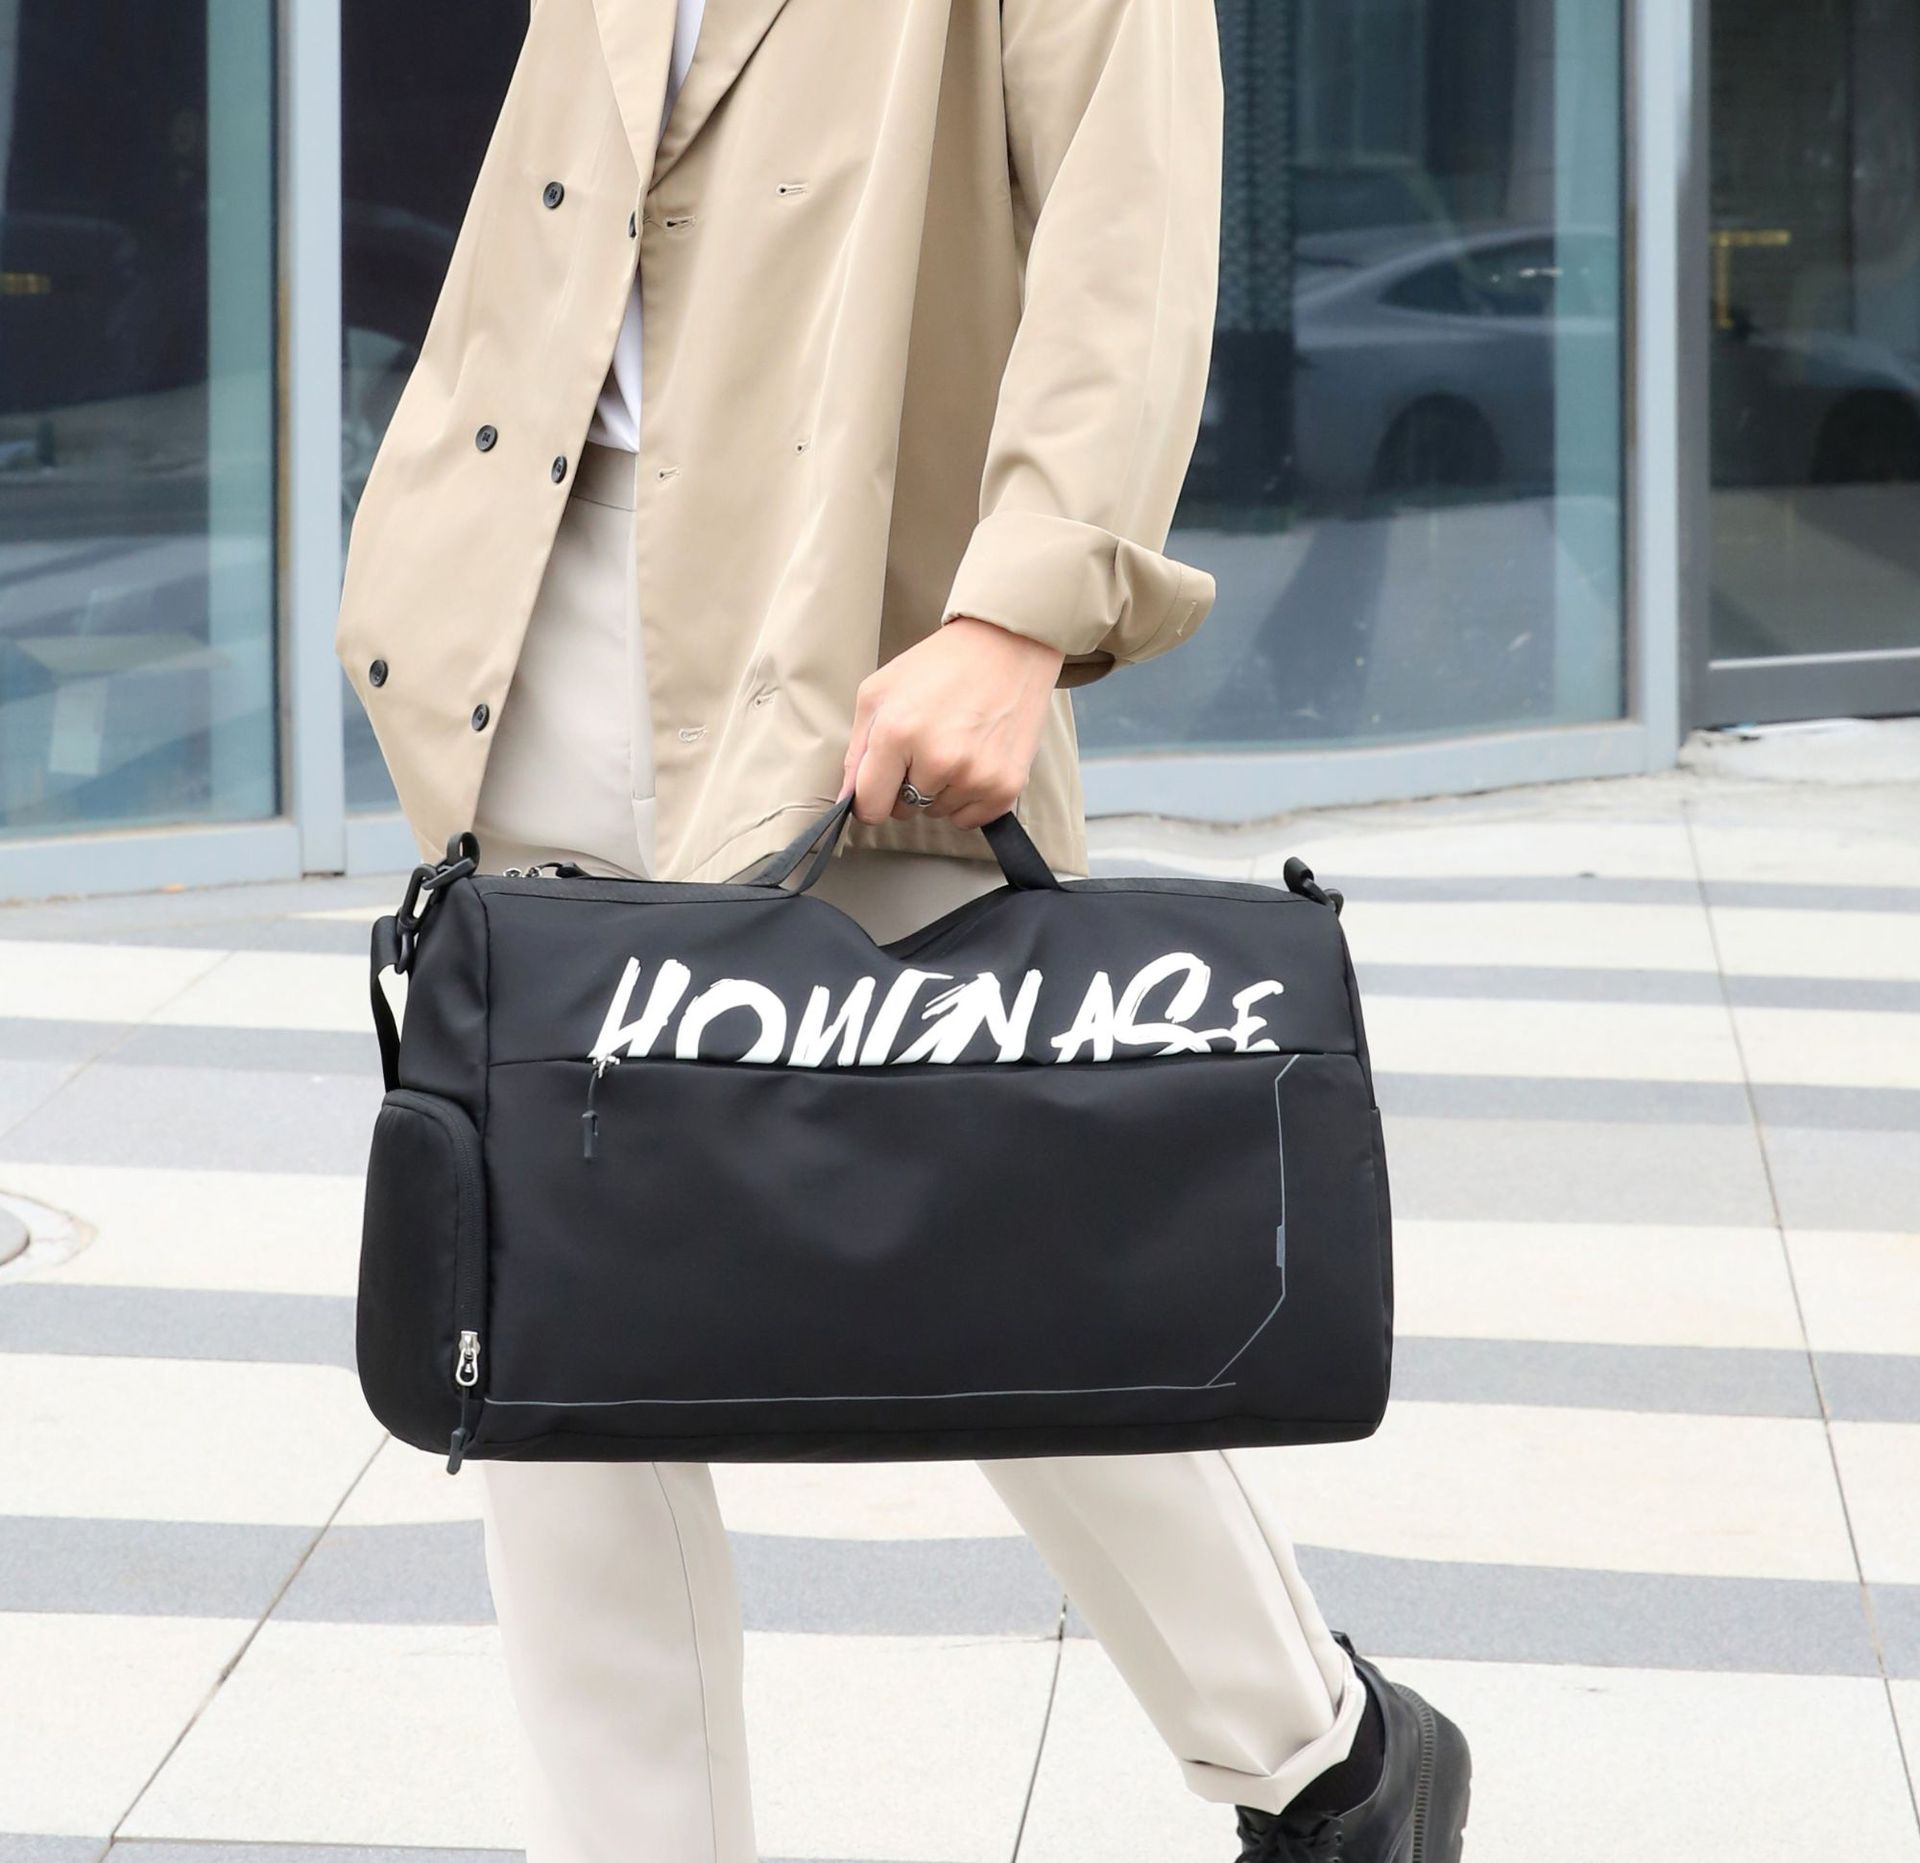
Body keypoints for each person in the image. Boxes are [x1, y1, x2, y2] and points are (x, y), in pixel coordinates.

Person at [335, 2, 1472, 1857]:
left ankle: (1324, 1761)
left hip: (846, 603)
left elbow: (1125, 217)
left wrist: (1020, 613)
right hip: (541, 584)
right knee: (552, 1310)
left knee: (989, 1235)